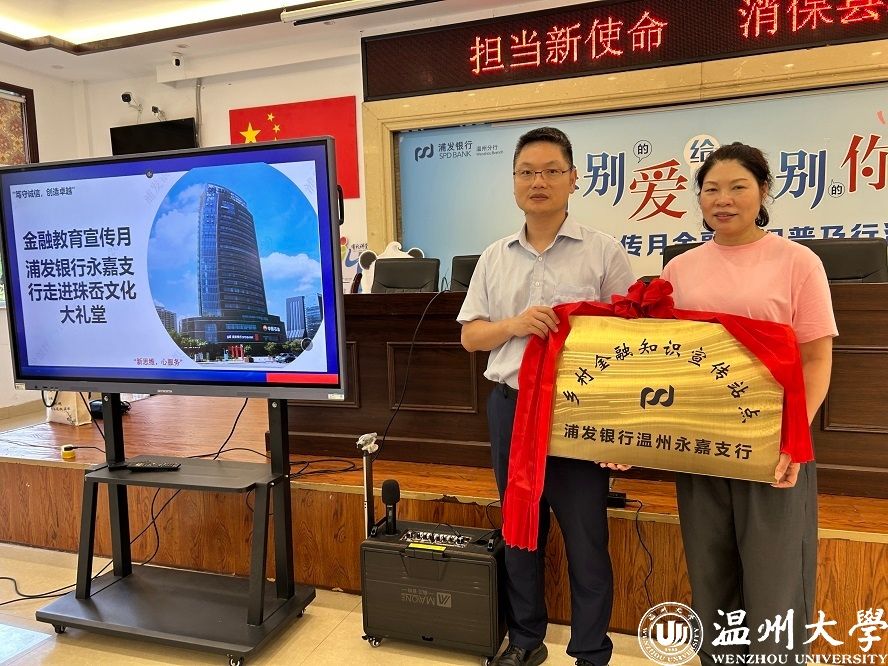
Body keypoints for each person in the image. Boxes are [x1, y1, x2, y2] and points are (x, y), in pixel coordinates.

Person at [458, 126, 635, 666]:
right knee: (520, 529)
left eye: (551, 171)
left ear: (573, 179)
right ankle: (526, 640)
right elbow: (471, 336)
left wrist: (618, 428)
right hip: (511, 409)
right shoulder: (495, 256)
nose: (539, 181)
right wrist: (513, 325)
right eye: (527, 172)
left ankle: (591, 652)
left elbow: (629, 343)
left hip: (577, 416)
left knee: (586, 537)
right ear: (514, 182)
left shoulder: (603, 251)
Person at [660, 142, 837, 665]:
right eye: (711, 189)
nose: (724, 199)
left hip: (771, 446)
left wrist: (793, 436)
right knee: (711, 576)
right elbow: (663, 358)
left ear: (763, 192)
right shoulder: (679, 269)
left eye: (738, 187)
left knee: (776, 581)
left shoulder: (798, 262)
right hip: (700, 444)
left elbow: (816, 359)